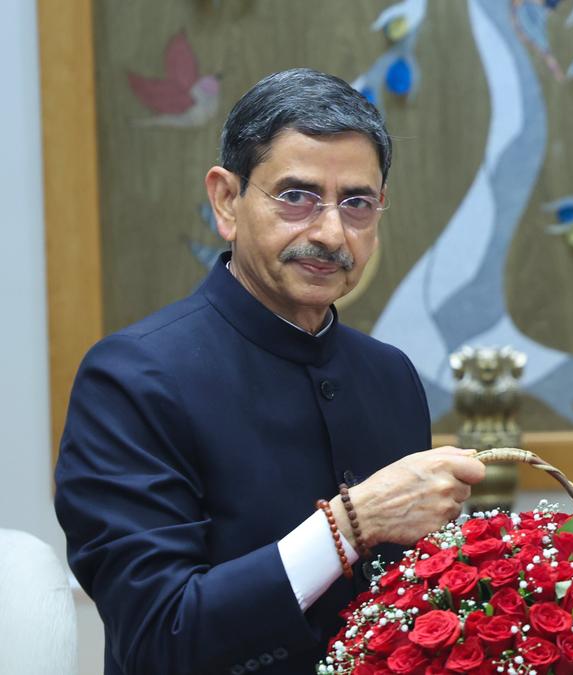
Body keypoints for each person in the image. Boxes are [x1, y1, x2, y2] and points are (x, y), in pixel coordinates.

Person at [55, 68, 486, 675]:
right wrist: (348, 525)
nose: (331, 232)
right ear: (226, 201)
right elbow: (158, 634)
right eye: (296, 197)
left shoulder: (390, 376)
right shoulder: (132, 377)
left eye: (357, 203)